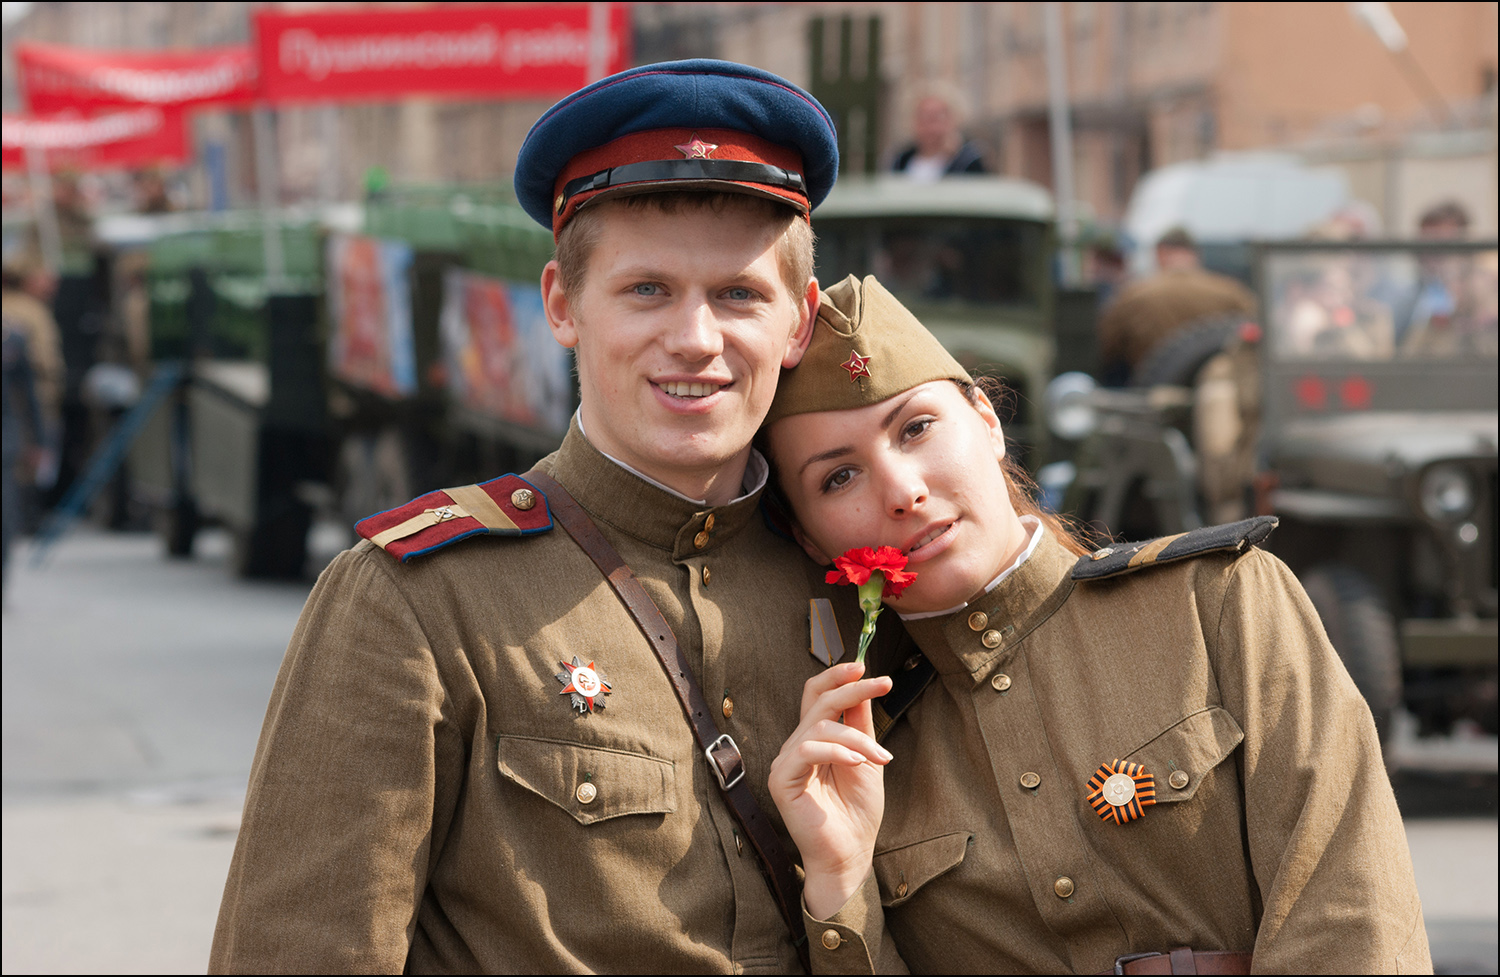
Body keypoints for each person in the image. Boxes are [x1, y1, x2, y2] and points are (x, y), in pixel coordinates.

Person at [210, 60, 860, 973]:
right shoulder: (422, 601)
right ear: (561, 304)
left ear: (799, 322)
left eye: (738, 294)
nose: (696, 339)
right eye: (647, 290)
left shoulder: (853, 583)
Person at [761, 275, 1431, 973]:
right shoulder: (867, 756)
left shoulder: (1219, 605)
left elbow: (1351, 915)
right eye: (838, 477)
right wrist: (841, 883)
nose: (902, 491)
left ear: (987, 421)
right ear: (812, 541)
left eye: (917, 427)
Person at [1098, 227, 1256, 383]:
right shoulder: (1231, 292)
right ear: (1195, 254)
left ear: (1160, 253)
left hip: (1152, 396)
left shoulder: (1132, 294)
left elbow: (1104, 350)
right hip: (1220, 393)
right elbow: (1258, 334)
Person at [891, 83, 986, 181]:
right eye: (923, 118)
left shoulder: (969, 161)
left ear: (954, 119)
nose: (929, 126)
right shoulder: (900, 161)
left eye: (936, 118)